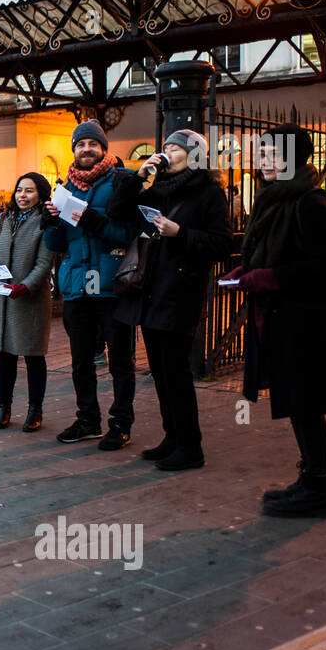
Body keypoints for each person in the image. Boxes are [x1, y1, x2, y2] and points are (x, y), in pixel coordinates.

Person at [225, 124, 326, 518]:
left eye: (273, 154)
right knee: (296, 402)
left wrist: (264, 278)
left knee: (306, 404)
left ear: (293, 158)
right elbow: (271, 251)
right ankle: (309, 479)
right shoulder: (274, 199)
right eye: (261, 153)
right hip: (280, 320)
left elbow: (323, 268)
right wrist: (248, 269)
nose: (263, 161)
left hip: (305, 324)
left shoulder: (310, 202)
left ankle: (317, 490)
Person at [109, 129, 231, 471]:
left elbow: (222, 244)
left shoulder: (208, 193)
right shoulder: (156, 189)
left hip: (181, 292)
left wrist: (182, 234)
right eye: (165, 147)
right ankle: (172, 437)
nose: (167, 152)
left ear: (194, 156)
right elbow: (117, 210)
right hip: (150, 289)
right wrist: (139, 175)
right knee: (160, 371)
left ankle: (191, 447)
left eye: (175, 147)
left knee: (176, 370)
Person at [41, 120, 138, 450]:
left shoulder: (122, 182)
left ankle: (120, 423)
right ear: (74, 150)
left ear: (103, 149)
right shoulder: (63, 188)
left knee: (120, 362)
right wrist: (51, 222)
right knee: (81, 360)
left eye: (92, 145)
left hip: (112, 287)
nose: (86, 150)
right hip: (76, 287)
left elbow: (129, 233)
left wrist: (93, 220)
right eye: (80, 145)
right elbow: (56, 244)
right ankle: (88, 420)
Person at [0, 172, 55, 432]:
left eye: (29, 191)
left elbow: (45, 264)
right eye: (19, 190)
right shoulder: (3, 218)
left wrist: (25, 286)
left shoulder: (46, 222)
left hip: (29, 299)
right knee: (6, 356)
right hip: (2, 298)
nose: (22, 195)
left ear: (41, 195)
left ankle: (35, 409)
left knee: (34, 356)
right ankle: (4, 407)